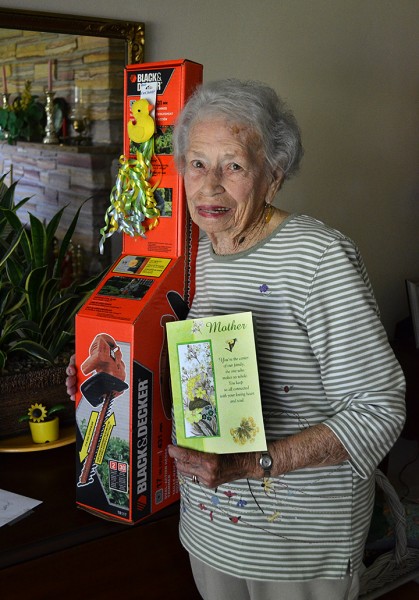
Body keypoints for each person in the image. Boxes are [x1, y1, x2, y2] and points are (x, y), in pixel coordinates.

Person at [67, 79, 406, 600]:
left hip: (298, 547)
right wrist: (101, 377)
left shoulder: (317, 259)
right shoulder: (190, 256)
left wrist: (252, 463)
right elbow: (182, 373)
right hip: (209, 531)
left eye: (235, 166)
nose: (210, 187)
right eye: (197, 164)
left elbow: (379, 409)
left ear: (274, 175)